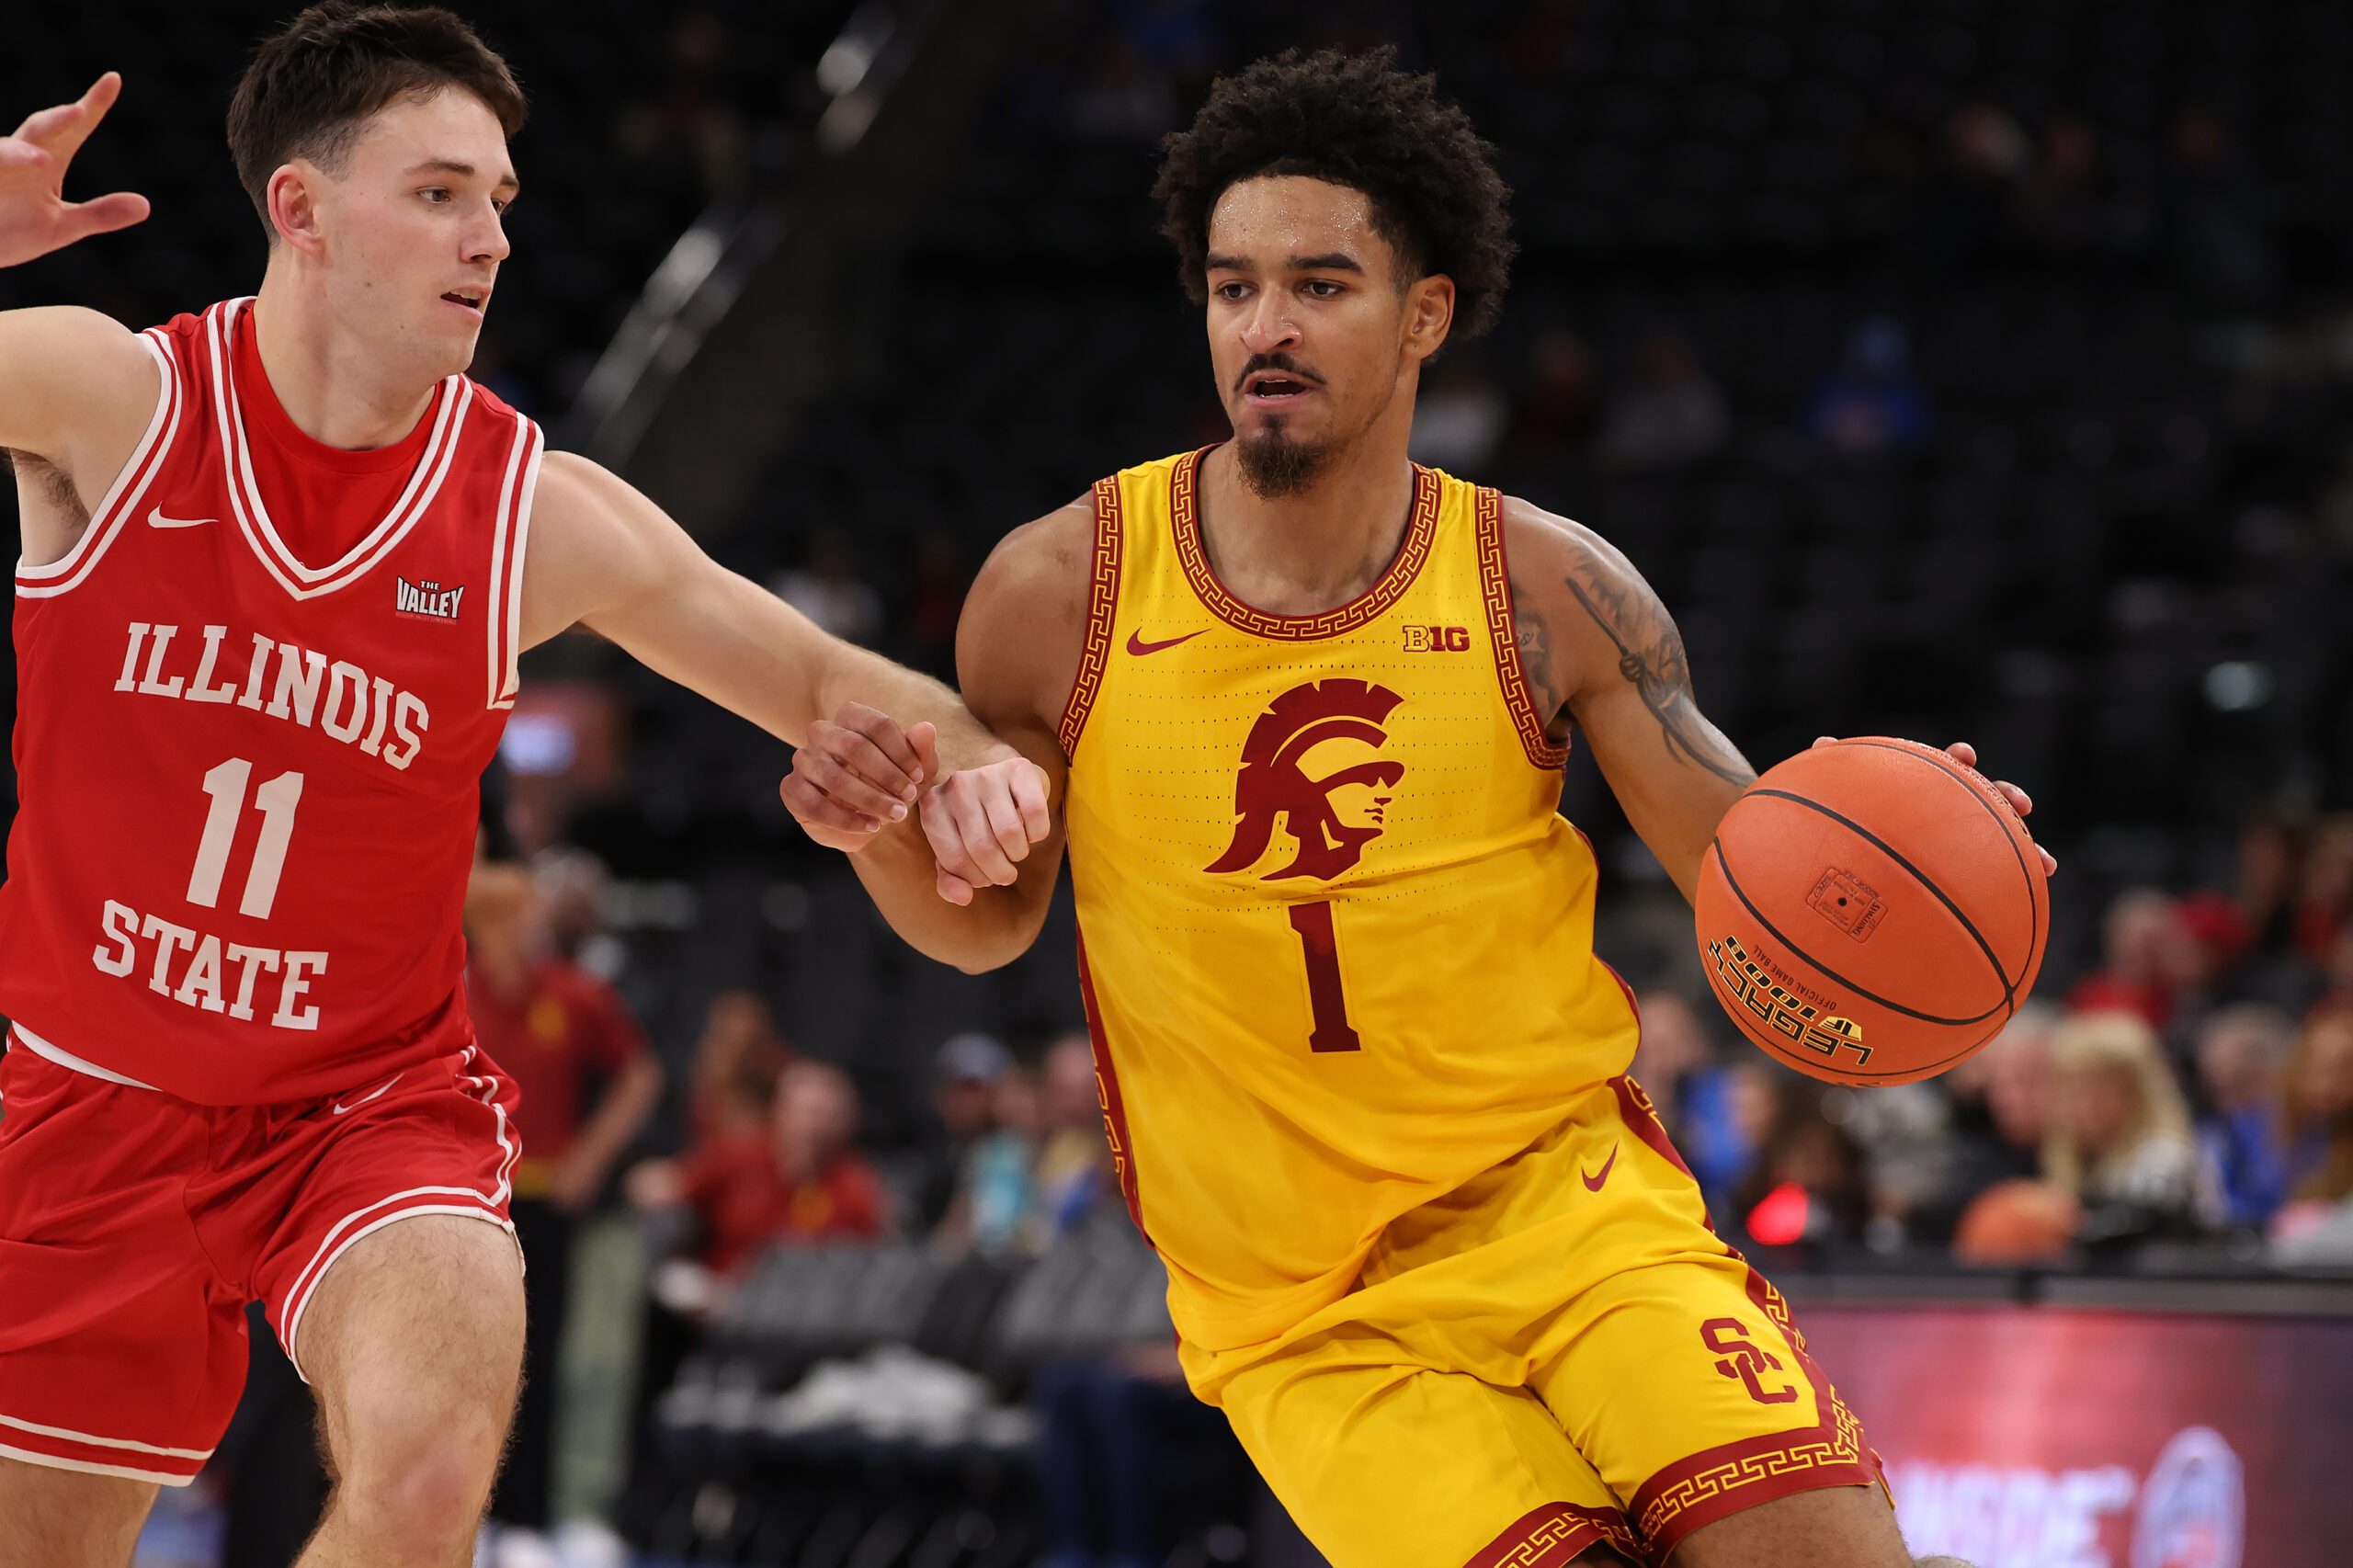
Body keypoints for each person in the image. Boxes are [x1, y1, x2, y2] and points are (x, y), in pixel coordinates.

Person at [787, 48, 2051, 1568]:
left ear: (1426, 315)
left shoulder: (1553, 588)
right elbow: (986, 923)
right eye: (1235, 286)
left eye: (1321, 284)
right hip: (1304, 1313)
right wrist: (879, 835)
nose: (1267, 326)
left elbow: (1749, 856)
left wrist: (1916, 837)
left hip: (1570, 1212)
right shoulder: (1061, 590)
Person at [0, 12, 1039, 1565]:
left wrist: (973, 775)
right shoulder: (113, 401)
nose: (489, 234)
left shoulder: (528, 515)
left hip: (362, 1108)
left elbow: (845, 682)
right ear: (300, 209)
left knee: (425, 1476)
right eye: (437, 193)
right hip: (84, 1093)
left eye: (499, 198)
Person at [461, 862, 664, 1539]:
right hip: (469, 1204)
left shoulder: (573, 997)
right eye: (517, 917)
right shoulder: (457, 996)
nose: (530, 927)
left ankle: (526, 1519)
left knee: (539, 1359)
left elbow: (640, 1074)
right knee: (462, 1356)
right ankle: (463, 1512)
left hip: (544, 1203)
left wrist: (590, 1157)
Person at [2041, 1010, 2216, 1245]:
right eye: (2076, 1091)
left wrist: (2065, 1226)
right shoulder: (2074, 1159)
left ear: (2139, 1094)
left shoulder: (2163, 1156)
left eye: (2102, 1090)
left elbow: (2147, 1219)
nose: (2087, 1105)